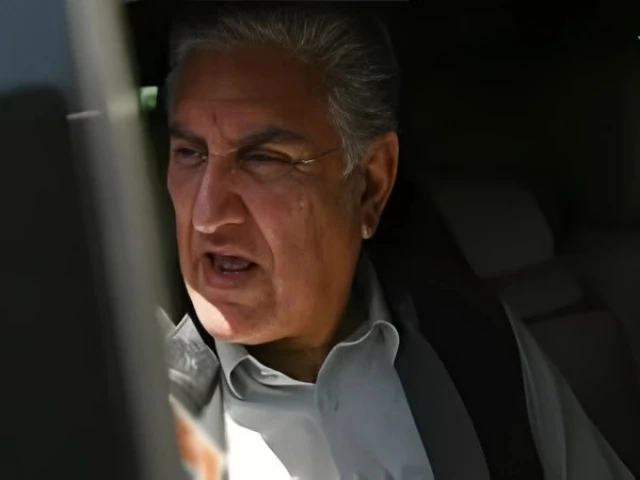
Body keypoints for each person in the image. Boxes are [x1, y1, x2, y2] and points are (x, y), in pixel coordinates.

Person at [160, 4, 634, 479]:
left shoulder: (470, 338)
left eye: (263, 158)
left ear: (369, 185)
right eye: (189, 153)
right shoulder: (138, 405)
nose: (206, 215)